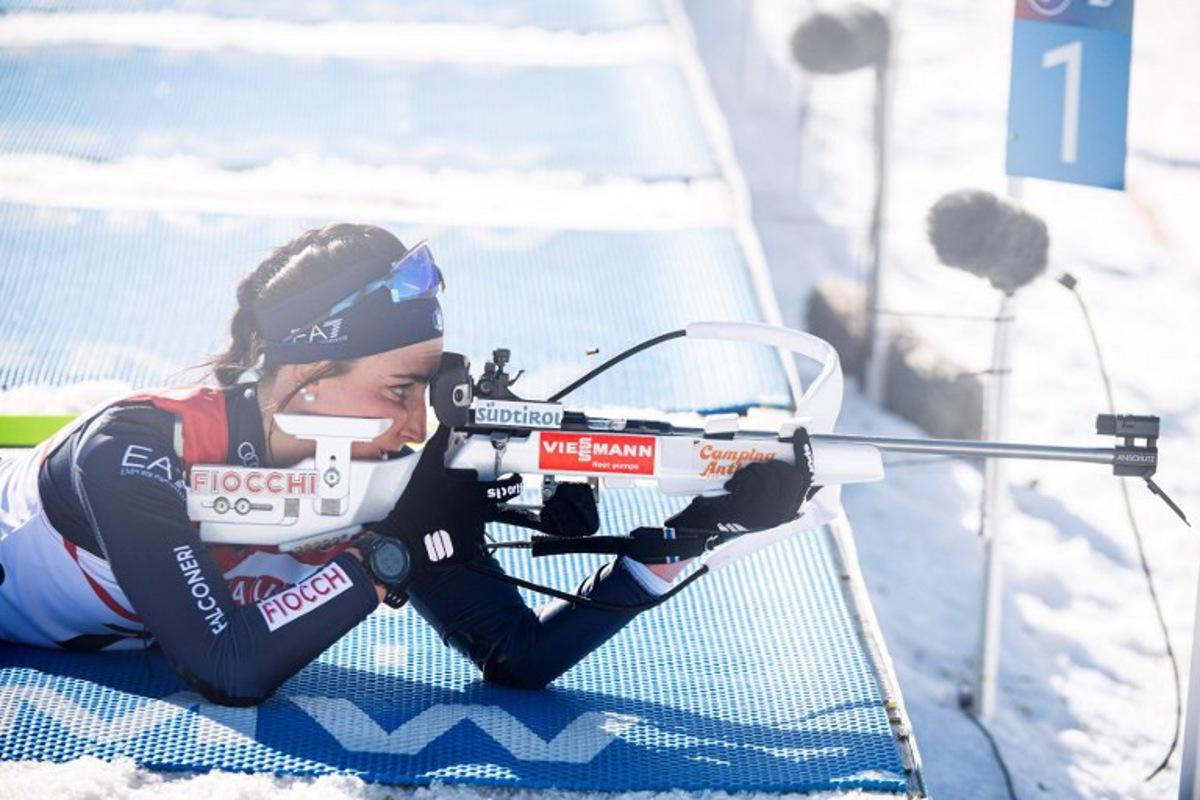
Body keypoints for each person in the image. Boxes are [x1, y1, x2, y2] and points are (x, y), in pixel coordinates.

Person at [0, 223, 811, 706]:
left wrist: (687, 538)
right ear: (305, 378)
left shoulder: (380, 468)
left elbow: (517, 660)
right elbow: (230, 666)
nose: (416, 424)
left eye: (426, 389)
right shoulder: (136, 452)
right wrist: (382, 557)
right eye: (398, 389)